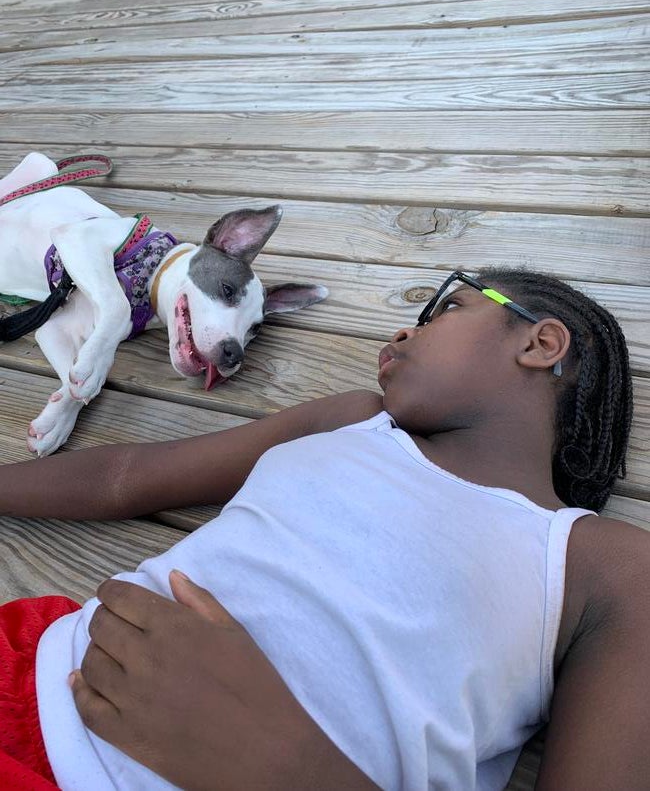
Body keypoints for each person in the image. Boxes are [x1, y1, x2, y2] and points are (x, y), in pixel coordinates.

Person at [0, 265, 647, 791]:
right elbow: (129, 474)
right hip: (36, 674)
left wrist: (288, 767)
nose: (402, 330)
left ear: (540, 343)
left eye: (445, 307)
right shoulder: (354, 421)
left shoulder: (606, 568)